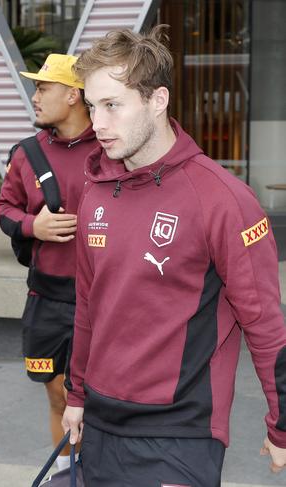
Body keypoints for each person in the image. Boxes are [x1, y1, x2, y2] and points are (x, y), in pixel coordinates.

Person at [62, 25, 286, 486]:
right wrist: (76, 395)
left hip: (179, 434)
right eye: (91, 106)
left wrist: (282, 423)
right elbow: (88, 306)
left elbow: (265, 322)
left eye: (112, 105)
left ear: (158, 100)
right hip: (102, 425)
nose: (97, 124)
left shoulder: (223, 199)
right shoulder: (97, 194)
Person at [0, 53, 98, 471]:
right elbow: (3, 207)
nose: (34, 97)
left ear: (74, 95)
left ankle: (103, 473)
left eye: (43, 87)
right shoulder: (26, 154)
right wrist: (32, 226)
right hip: (47, 299)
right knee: (57, 394)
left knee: (99, 398)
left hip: (104, 301)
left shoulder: (112, 148)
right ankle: (67, 473)